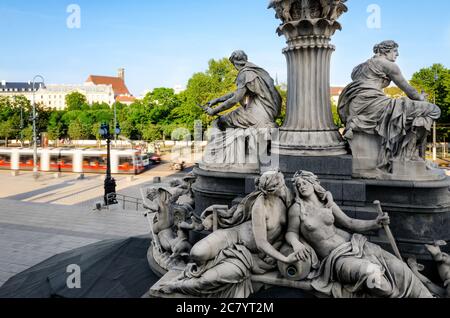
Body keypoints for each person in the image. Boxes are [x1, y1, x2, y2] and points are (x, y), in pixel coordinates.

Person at [286, 170, 434, 298]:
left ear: (313, 183)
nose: (301, 186)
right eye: (298, 185)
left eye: (304, 182)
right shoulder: (298, 209)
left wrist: (375, 223)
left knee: (399, 268)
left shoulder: (327, 203)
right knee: (373, 276)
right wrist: (296, 243)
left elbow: (350, 223)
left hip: (355, 244)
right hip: (337, 258)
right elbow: (291, 232)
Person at [158, 170, 298, 298]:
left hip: (247, 256)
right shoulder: (260, 206)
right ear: (272, 189)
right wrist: (284, 259)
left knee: (206, 280)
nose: (284, 186)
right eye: (281, 184)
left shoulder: (285, 197)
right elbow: (261, 243)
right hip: (231, 236)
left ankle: (176, 285)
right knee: (197, 253)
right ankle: (196, 269)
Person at [338, 41, 441, 172]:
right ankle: (407, 156)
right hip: (373, 105)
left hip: (356, 106)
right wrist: (421, 99)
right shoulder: (389, 65)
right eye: (395, 51)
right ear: (386, 51)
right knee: (433, 110)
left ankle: (408, 155)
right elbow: (409, 90)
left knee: (405, 112)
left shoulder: (358, 68)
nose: (397, 54)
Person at [203, 50, 282, 131]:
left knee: (218, 122)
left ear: (235, 62)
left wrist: (213, 111)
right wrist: (217, 100)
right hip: (268, 112)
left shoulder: (244, 74)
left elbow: (234, 99)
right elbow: (236, 94)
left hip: (258, 114)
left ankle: (226, 143)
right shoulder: (254, 71)